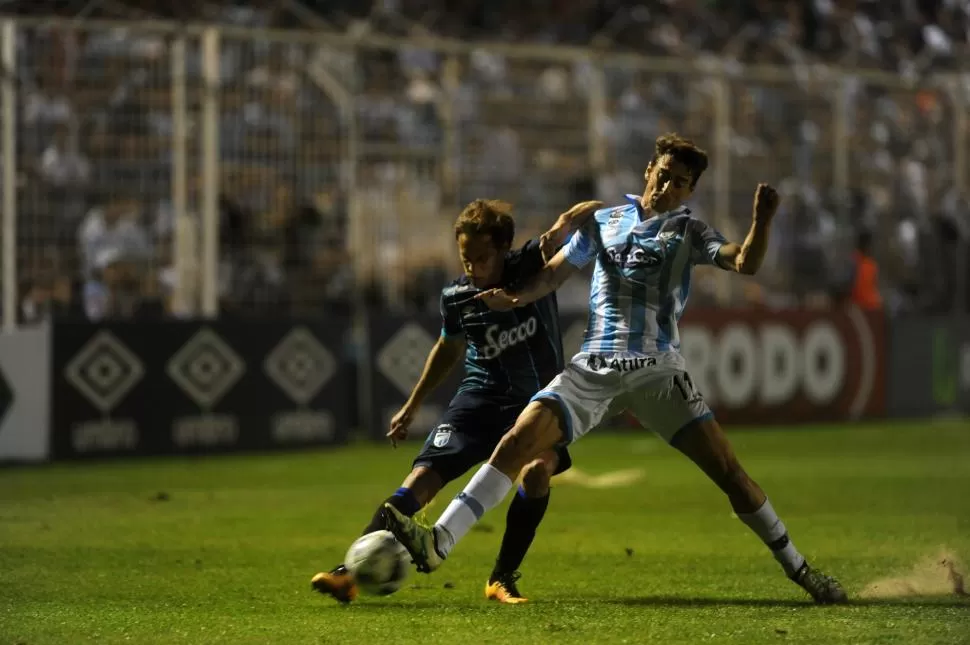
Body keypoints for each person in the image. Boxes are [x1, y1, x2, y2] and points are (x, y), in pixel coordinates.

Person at [384, 134, 848, 604]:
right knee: (517, 440)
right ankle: (439, 541)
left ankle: (801, 570)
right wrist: (515, 297)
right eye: (663, 175)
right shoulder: (604, 222)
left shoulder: (689, 232)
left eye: (680, 183)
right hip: (594, 366)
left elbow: (745, 262)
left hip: (657, 369)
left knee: (730, 473)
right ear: (649, 169)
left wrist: (761, 222)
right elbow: (551, 276)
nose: (667, 186)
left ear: (689, 192)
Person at [312, 197, 602, 604]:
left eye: (481, 258)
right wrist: (412, 405)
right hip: (478, 401)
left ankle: (501, 578)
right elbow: (447, 349)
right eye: (466, 258)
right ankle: (349, 574)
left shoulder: (529, 267)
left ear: (503, 249)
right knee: (420, 480)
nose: (472, 268)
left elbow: (562, 230)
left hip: (536, 402)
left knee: (537, 471)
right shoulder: (457, 296)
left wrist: (587, 214)